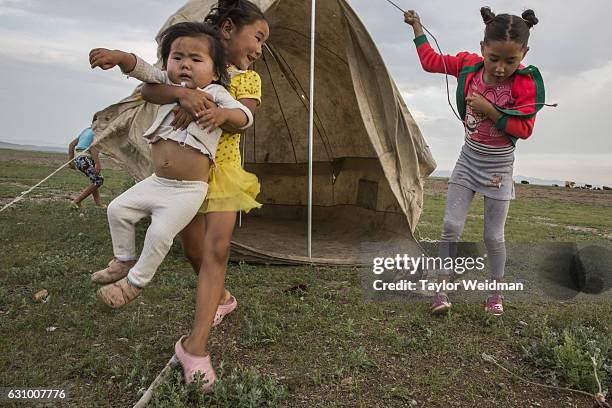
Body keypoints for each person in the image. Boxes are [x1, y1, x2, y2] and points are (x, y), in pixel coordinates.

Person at [140, 0, 269, 392]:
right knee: (194, 251)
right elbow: (149, 89)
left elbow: (242, 117)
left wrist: (215, 109)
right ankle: (223, 299)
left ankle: (195, 347)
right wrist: (183, 95)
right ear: (228, 28)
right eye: (258, 37)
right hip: (185, 176)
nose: (260, 48)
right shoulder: (187, 63)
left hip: (224, 174)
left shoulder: (248, 78)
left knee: (216, 251)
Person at [87, 22, 253, 312]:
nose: (185, 65)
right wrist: (119, 56)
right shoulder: (169, 86)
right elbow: (142, 71)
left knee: (159, 233)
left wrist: (223, 113)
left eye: (196, 59)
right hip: (157, 182)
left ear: (215, 70)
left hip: (187, 189)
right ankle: (124, 260)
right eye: (177, 58)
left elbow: (244, 117)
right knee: (117, 209)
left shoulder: (217, 93)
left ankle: (135, 283)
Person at [404, 7, 544, 316]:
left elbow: (524, 129)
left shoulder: (524, 84)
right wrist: (417, 27)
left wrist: (489, 109)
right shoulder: (469, 66)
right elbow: (430, 62)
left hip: (498, 168)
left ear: (524, 54)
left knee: (492, 236)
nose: (499, 68)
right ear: (483, 49)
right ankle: (440, 290)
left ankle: (496, 293)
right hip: (468, 161)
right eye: (493, 58)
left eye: (511, 61)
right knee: (450, 226)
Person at [68, 127, 105, 208]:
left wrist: (71, 162)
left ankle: (99, 204)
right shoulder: (97, 132)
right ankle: (76, 201)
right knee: (99, 180)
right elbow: (93, 147)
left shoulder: (86, 131)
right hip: (85, 158)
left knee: (94, 180)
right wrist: (97, 163)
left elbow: (71, 145)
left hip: (78, 159)